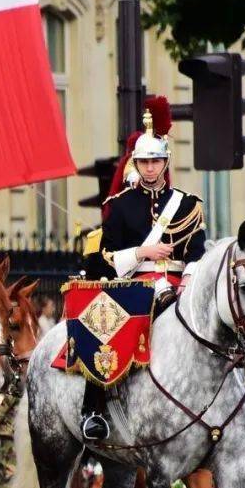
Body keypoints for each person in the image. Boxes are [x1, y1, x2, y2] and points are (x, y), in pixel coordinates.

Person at [80, 98, 205, 441]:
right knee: (104, 329)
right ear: (136, 164)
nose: (150, 168)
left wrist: (189, 280)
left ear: (166, 162)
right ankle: (94, 409)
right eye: (145, 162)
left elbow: (197, 249)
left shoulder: (188, 204)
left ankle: (242, 408)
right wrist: (142, 252)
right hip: (137, 286)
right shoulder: (119, 207)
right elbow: (105, 257)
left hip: (181, 284)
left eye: (156, 161)